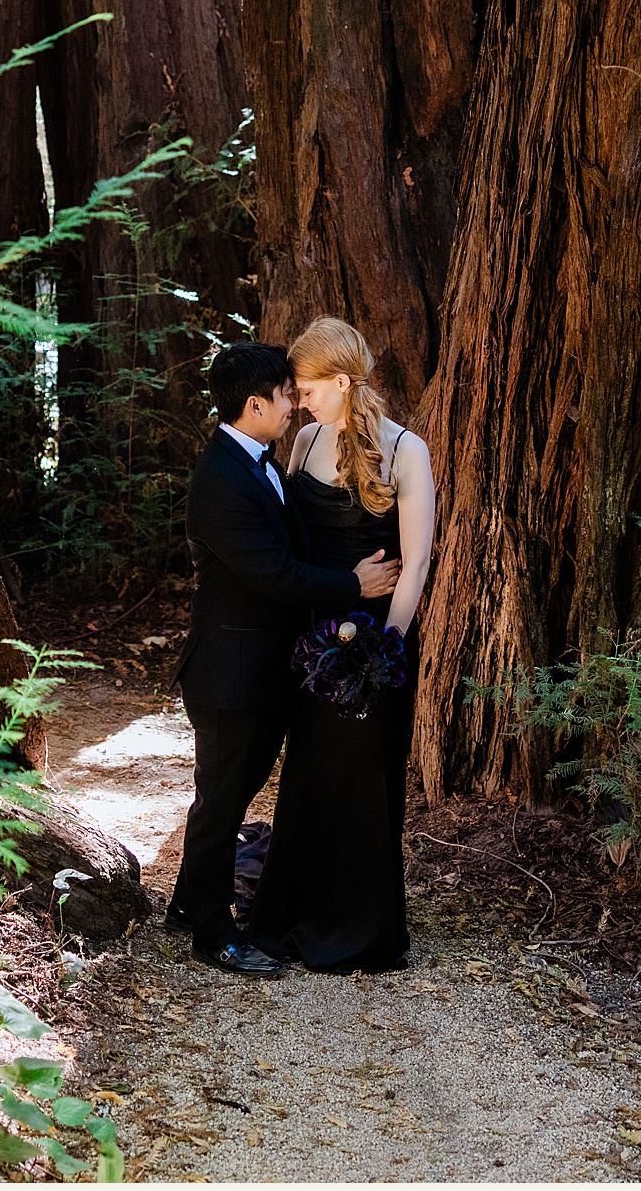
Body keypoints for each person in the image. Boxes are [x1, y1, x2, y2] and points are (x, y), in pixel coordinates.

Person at [168, 341, 400, 977]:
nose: (294, 406)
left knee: (228, 796)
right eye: (284, 397)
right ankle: (215, 935)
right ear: (254, 405)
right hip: (230, 675)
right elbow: (274, 573)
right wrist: (355, 585)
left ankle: (191, 903)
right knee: (221, 805)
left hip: (261, 671)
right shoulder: (220, 478)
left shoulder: (260, 460)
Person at [245, 316, 437, 973]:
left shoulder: (407, 451)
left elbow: (414, 565)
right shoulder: (303, 441)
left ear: (343, 380)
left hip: (374, 649)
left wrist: (387, 647)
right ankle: (295, 911)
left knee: (363, 780)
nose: (299, 400)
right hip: (312, 642)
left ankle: (361, 928)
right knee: (308, 776)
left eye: (308, 388)